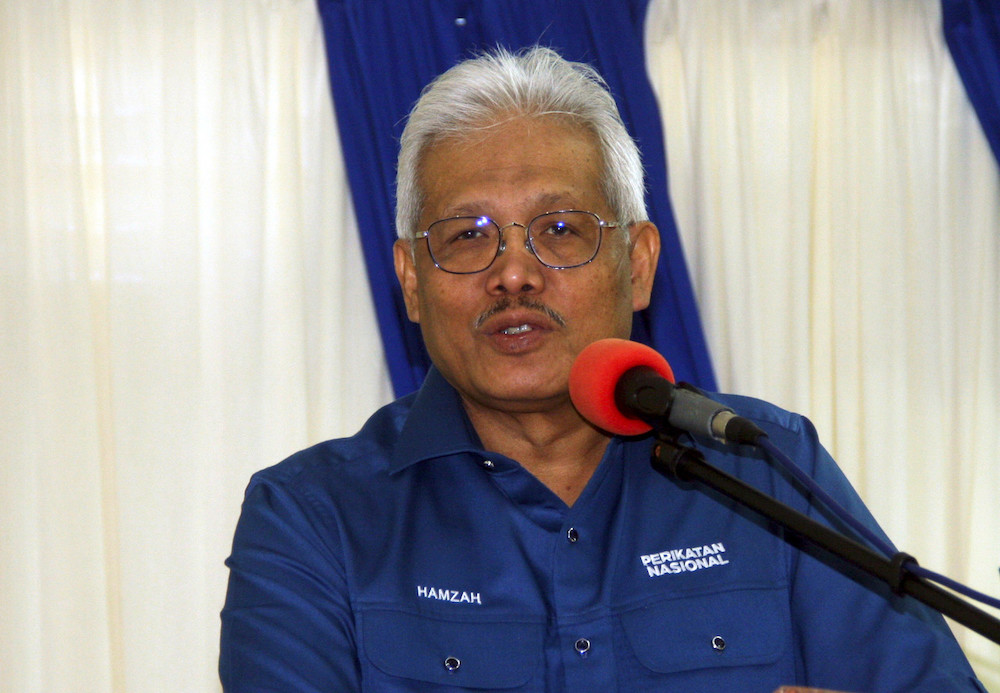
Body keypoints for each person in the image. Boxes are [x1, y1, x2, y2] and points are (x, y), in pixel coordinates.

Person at [219, 46, 985, 692]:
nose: (513, 273)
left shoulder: (760, 465)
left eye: (560, 229)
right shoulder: (312, 521)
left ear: (640, 264)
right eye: (465, 236)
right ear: (412, 280)